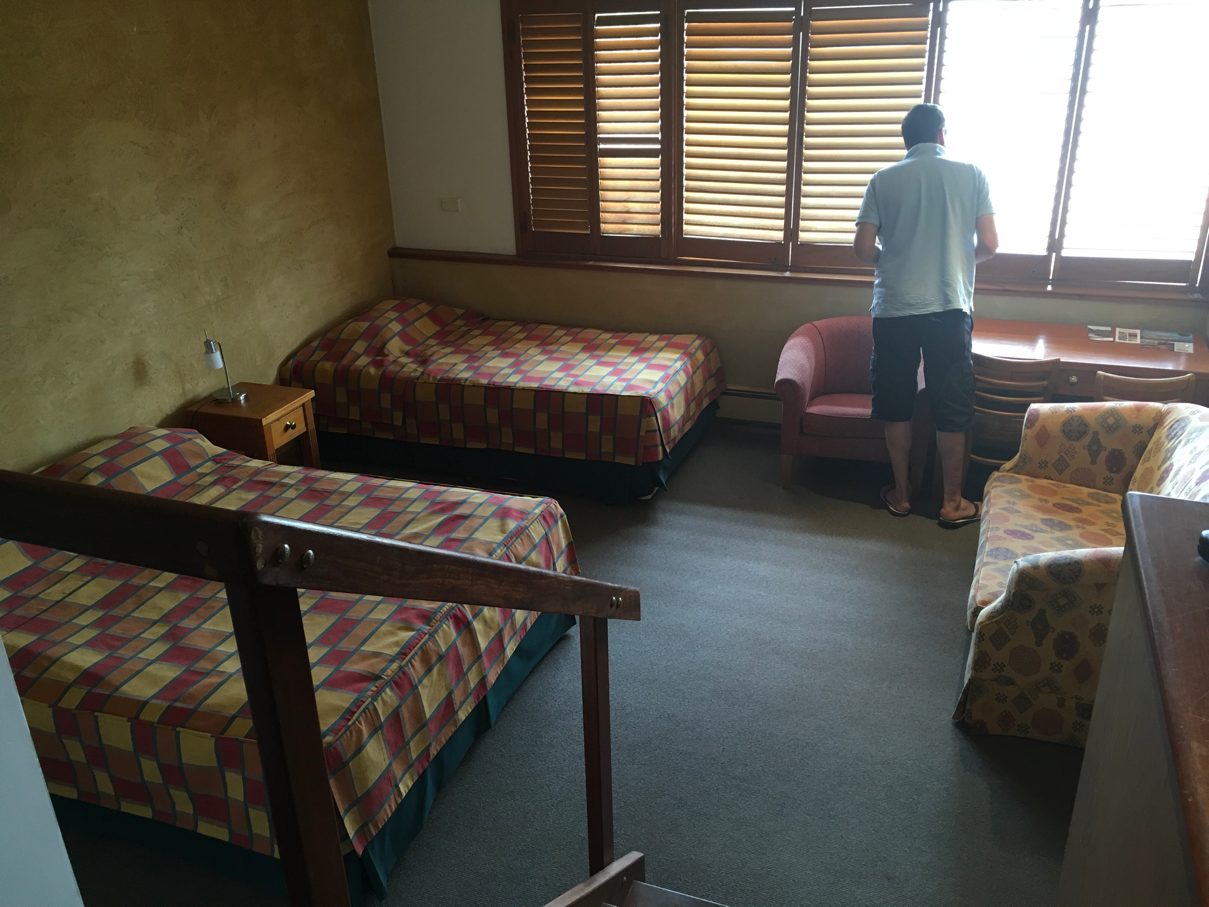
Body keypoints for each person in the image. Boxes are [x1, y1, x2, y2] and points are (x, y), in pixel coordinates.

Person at [852, 102, 998, 528]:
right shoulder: (972, 174)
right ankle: (952, 503)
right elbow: (990, 245)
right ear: (941, 134)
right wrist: (958, 260)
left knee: (896, 404)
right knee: (951, 406)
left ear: (906, 140)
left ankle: (901, 495)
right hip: (948, 306)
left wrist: (889, 259)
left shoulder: (882, 179)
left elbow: (862, 249)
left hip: (894, 309)